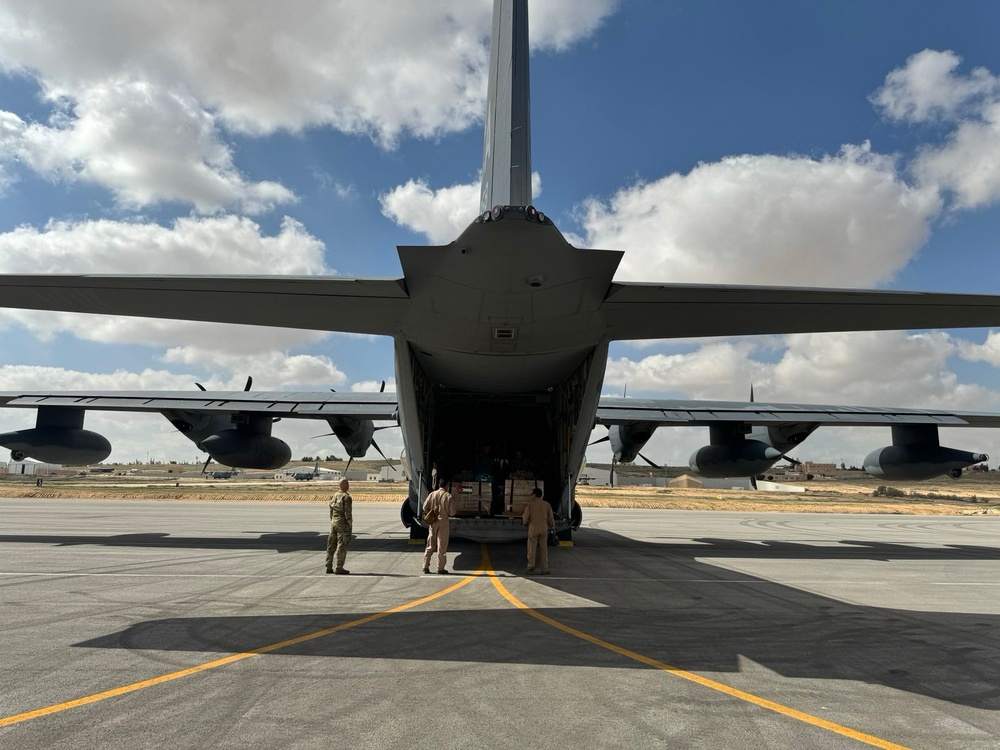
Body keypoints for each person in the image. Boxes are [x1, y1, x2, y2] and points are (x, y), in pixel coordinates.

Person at [422, 480, 457, 574]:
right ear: (447, 486)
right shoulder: (448, 496)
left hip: (433, 522)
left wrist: (430, 513)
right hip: (443, 522)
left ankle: (425, 566)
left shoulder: (432, 494)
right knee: (441, 546)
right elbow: (452, 512)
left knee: (430, 544)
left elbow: (424, 507)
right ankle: (440, 568)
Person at [522, 487, 554, 575]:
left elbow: (525, 517)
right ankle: (545, 569)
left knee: (532, 549)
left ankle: (531, 568)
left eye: (532, 494)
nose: (531, 496)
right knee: (543, 549)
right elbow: (550, 518)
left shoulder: (530, 504)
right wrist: (552, 527)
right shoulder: (546, 504)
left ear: (535, 495)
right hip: (544, 528)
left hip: (533, 528)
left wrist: (525, 523)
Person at [325, 478, 353, 574]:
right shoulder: (346, 497)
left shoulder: (335, 496)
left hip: (334, 522)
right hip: (342, 524)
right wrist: (350, 525)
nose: (348, 486)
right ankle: (339, 567)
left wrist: (332, 521)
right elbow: (347, 513)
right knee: (341, 546)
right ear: (344, 485)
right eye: (347, 484)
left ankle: (328, 566)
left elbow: (331, 510)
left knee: (331, 545)